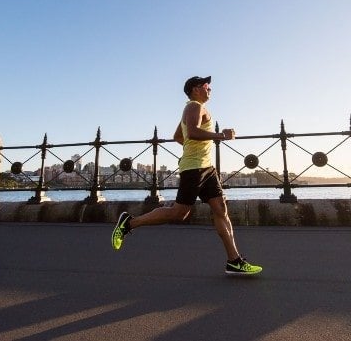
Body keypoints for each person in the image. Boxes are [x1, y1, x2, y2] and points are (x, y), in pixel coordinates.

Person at [111, 75, 262, 275]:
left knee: (221, 209)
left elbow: (178, 136)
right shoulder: (194, 106)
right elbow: (191, 132)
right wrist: (221, 136)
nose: (210, 89)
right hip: (194, 169)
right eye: (207, 85)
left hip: (207, 168)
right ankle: (128, 223)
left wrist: (195, 150)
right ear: (195, 88)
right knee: (179, 213)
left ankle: (234, 260)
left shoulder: (195, 108)